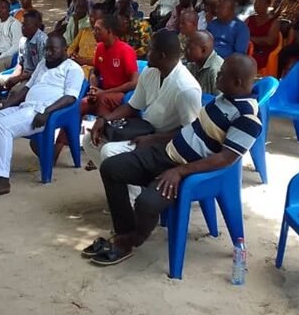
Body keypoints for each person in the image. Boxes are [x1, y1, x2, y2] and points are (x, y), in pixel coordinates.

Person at [83, 54, 260, 266]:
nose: (217, 77)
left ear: (237, 82)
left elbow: (225, 159)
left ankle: (129, 241)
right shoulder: (224, 99)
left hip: (188, 171)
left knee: (146, 203)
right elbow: (193, 129)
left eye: (221, 75)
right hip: (167, 152)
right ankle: (124, 232)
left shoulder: (248, 119)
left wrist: (180, 172)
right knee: (112, 167)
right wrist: (155, 138)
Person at [83, 30, 202, 201]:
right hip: (143, 132)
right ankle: (125, 192)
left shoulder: (186, 88)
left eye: (150, 49)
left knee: (110, 152)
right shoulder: (149, 72)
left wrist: (154, 139)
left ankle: (134, 202)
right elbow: (132, 106)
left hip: (166, 144)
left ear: (161, 56)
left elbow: (190, 133)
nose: (146, 52)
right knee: (90, 141)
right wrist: (104, 119)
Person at [0, 35, 85, 199]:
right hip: (25, 107)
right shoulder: (42, 65)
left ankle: (2, 181)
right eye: (46, 49)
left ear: (64, 50)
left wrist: (47, 112)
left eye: (53, 49)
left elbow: (71, 98)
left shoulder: (73, 69)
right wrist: (8, 103)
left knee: (2, 126)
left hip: (41, 112)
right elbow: (26, 89)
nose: (48, 53)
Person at [54, 15, 139, 158]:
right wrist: (94, 86)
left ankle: (99, 144)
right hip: (102, 92)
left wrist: (103, 92)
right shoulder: (99, 48)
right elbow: (95, 71)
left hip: (120, 94)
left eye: (98, 30)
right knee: (78, 105)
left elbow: (134, 82)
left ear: (109, 31)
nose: (94, 32)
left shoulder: (125, 50)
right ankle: (58, 148)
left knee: (102, 100)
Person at [0, 10, 46, 109]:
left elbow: (41, 70)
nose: (23, 28)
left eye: (26, 25)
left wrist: (18, 79)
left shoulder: (42, 41)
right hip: (23, 75)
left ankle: (6, 114)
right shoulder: (23, 40)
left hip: (35, 78)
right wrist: (12, 77)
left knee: (15, 91)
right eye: (22, 24)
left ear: (37, 25)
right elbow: (20, 64)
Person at [245, 0, 280, 69]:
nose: (257, 5)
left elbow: (270, 41)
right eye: (256, 2)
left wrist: (250, 39)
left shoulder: (274, 22)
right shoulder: (250, 19)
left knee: (247, 60)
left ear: (268, 4)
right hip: (248, 48)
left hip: (264, 52)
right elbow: (241, 33)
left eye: (260, 2)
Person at [69, 3, 105, 76]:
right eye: (91, 16)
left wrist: (82, 61)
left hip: (92, 70)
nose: (92, 20)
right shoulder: (84, 31)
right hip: (76, 64)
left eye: (96, 18)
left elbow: (103, 60)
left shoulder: (106, 36)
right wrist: (73, 55)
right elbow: (71, 48)